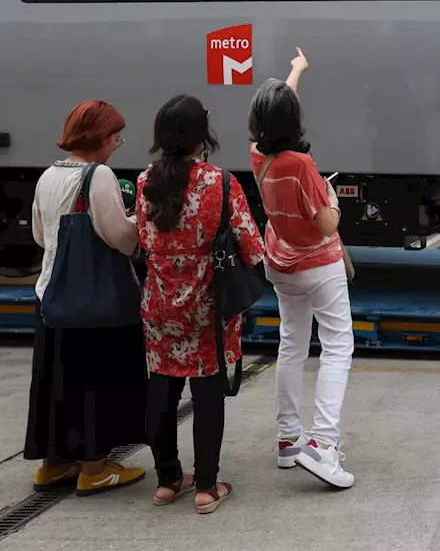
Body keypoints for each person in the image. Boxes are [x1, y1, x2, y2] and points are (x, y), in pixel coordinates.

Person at [136, 95, 266, 513]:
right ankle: (207, 487)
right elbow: (253, 248)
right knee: (208, 392)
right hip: (208, 306)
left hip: (159, 304)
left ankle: (167, 480)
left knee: (162, 387)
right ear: (201, 135)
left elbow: (144, 239)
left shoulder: (144, 182)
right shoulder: (220, 183)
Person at [25, 100, 149, 496]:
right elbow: (119, 236)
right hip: (95, 304)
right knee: (95, 383)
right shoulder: (99, 176)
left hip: (52, 297)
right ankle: (94, 468)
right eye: (115, 137)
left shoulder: (47, 175)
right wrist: (137, 229)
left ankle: (52, 465)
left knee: (57, 382)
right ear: (98, 138)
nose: (116, 144)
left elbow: (40, 236)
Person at [249, 47, 355, 489]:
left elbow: (278, 114)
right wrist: (331, 199)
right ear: (295, 125)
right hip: (318, 266)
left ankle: (289, 440)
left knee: (292, 344)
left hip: (281, 264)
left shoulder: (260, 154)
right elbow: (326, 222)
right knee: (337, 347)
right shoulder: (303, 165)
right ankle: (323, 446)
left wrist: (295, 71)